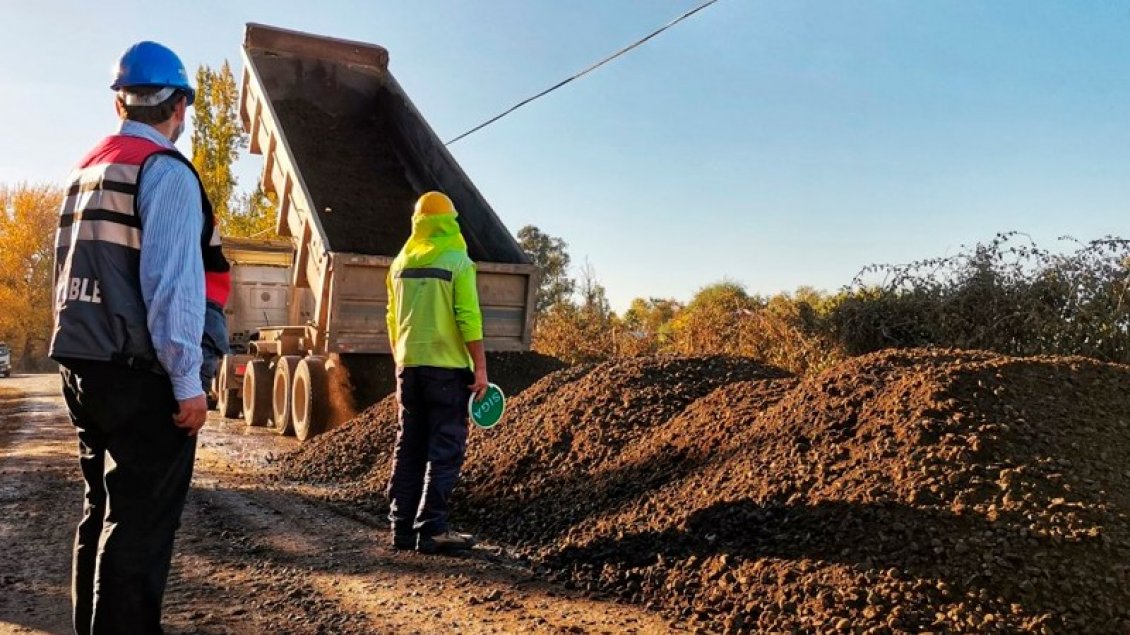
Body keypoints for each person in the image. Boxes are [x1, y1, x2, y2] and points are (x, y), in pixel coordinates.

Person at [50, 40, 229, 634]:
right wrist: (187, 381)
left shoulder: (86, 171)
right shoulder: (165, 172)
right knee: (140, 529)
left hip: (82, 364)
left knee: (99, 512)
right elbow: (171, 285)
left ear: (119, 104)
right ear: (180, 106)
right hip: (140, 374)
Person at [385, 191, 489, 554]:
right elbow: (468, 317)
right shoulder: (458, 262)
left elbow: (392, 318)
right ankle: (432, 530)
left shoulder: (399, 264)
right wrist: (480, 368)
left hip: (409, 368)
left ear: (418, 222)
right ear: (450, 222)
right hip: (447, 370)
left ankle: (401, 528)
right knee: (444, 449)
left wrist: (400, 360)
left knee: (409, 447)